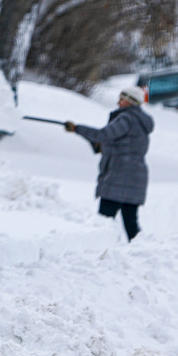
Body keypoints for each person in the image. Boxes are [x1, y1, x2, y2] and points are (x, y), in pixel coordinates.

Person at [65, 86, 154, 242]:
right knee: (131, 222)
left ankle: (101, 248)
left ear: (130, 101)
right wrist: (100, 145)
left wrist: (77, 129)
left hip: (119, 175)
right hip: (136, 176)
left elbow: (104, 135)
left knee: (104, 220)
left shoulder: (127, 118)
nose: (118, 102)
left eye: (122, 99)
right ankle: (143, 250)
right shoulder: (140, 121)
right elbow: (120, 143)